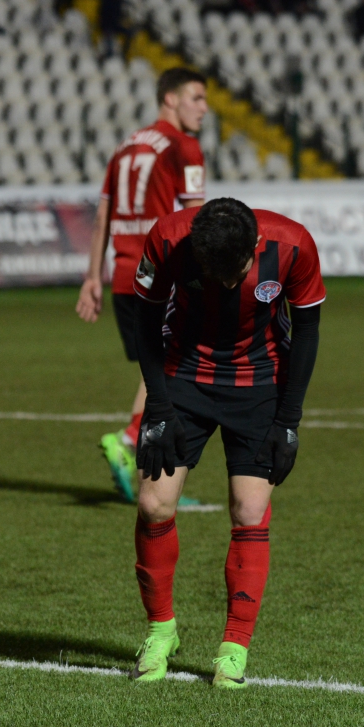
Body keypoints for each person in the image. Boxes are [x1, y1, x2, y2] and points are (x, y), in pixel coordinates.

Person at [128, 198, 325, 687]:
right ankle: (160, 632)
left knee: (249, 510)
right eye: (212, 275)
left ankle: (234, 648)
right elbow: (145, 321)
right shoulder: (167, 239)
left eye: (233, 276)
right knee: (153, 504)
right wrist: (158, 406)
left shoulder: (294, 245)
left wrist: (289, 420)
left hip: (260, 381)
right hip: (183, 375)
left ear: (254, 245)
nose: (226, 285)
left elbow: (307, 330)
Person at [76, 67, 208, 504]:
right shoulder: (184, 146)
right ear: (170, 99)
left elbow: (102, 216)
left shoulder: (126, 145)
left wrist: (92, 277)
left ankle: (147, 472)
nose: (204, 109)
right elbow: (196, 217)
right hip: (159, 274)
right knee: (177, 370)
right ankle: (131, 442)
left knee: (158, 369)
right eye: (196, 98)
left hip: (122, 276)